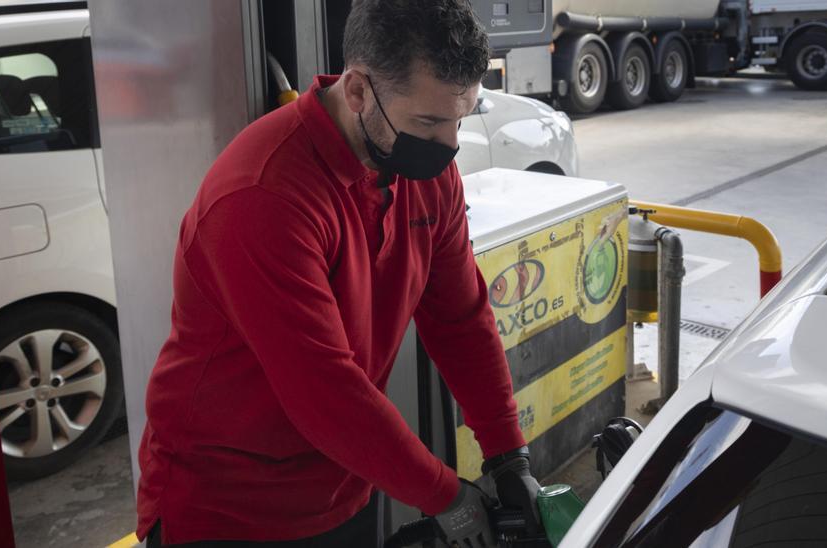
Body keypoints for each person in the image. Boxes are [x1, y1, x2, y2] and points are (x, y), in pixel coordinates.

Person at [135, 1, 539, 545]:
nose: (448, 146)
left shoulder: (425, 174)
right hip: (226, 508)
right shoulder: (263, 196)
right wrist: (447, 495)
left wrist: (508, 454)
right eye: (428, 122)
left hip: (345, 483)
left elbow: (461, 320)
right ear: (357, 92)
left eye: (460, 119)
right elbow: (326, 393)